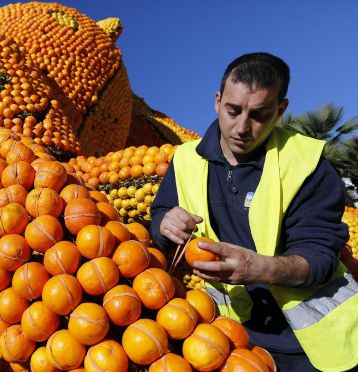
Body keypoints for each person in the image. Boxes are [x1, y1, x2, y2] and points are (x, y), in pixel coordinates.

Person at [150, 52, 358, 371]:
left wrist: (259, 267)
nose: (242, 127)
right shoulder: (185, 161)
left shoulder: (307, 163)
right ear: (218, 101)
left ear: (280, 110)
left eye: (259, 114)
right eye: (233, 111)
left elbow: (320, 254)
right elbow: (159, 219)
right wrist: (166, 224)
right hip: (233, 339)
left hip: (319, 342)